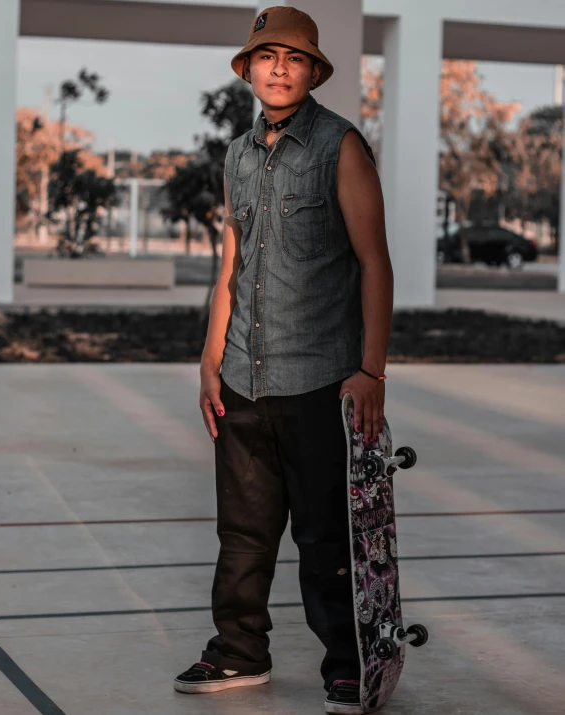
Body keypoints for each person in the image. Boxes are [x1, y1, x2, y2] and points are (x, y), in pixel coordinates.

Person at [173, 5, 393, 714]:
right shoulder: (237, 153)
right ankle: (239, 649)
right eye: (266, 56)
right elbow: (233, 260)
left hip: (319, 376)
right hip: (244, 375)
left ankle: (347, 664)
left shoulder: (340, 146)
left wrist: (371, 369)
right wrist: (210, 359)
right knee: (241, 528)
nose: (277, 68)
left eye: (292, 58)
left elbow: (375, 262)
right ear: (248, 69)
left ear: (311, 70)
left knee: (326, 533)